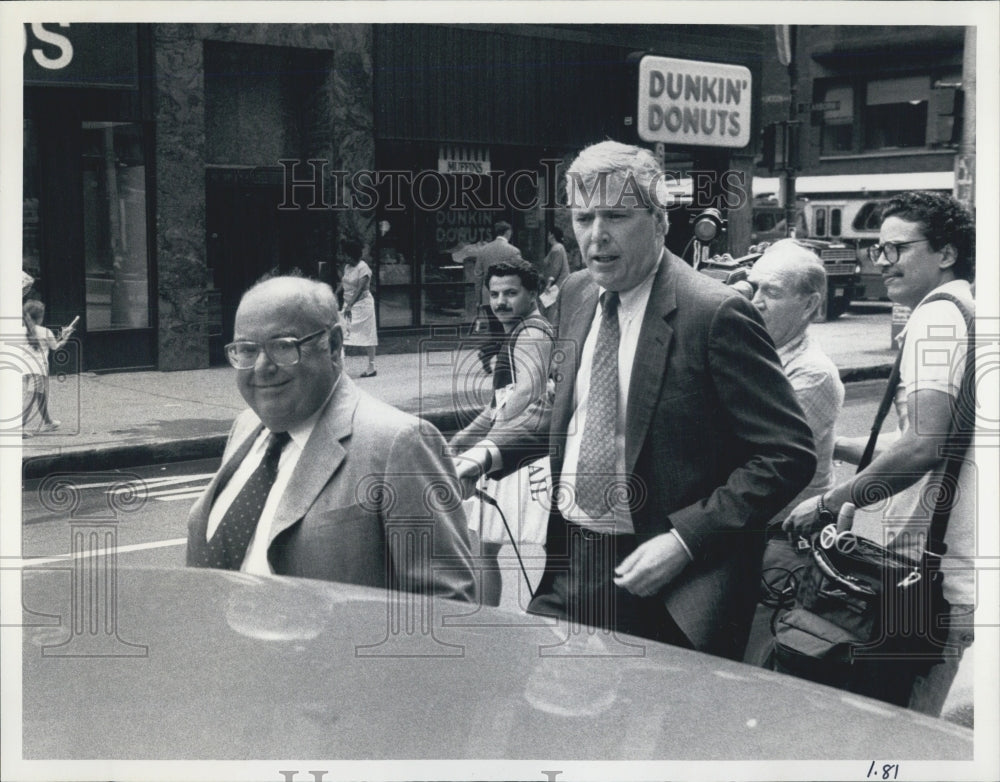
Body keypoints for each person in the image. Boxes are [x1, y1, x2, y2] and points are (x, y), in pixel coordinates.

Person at [468, 141, 816, 659]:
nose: (596, 234)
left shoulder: (715, 314)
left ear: (659, 221)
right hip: (573, 566)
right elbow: (568, 411)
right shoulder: (577, 294)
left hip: (672, 586)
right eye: (583, 217)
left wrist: (684, 542)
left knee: (646, 735)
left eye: (616, 215)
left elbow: (786, 455)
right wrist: (487, 453)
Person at [783, 191, 976, 716]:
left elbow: (923, 446)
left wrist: (827, 503)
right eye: (878, 249)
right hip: (959, 571)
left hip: (938, 577)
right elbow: (942, 434)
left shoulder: (936, 320)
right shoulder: (968, 311)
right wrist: (844, 446)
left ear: (946, 253)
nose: (882, 261)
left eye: (897, 249)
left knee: (905, 731)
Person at [186, 274, 477, 604]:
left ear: (335, 345)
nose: (262, 367)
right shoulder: (246, 426)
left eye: (283, 346)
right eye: (247, 350)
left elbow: (445, 606)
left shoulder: (399, 443)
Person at [740, 240, 845, 666]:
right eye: (753, 287)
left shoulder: (812, 373)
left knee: (752, 660)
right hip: (746, 531)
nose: (756, 301)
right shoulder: (758, 350)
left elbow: (748, 451)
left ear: (809, 305)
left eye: (772, 292)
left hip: (781, 540)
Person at [451, 259, 554, 606]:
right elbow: (499, 402)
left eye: (511, 293)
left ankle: (490, 624)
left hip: (522, 450)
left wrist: (491, 439)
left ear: (533, 293)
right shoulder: (521, 330)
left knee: (484, 546)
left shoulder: (532, 332)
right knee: (488, 544)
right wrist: (466, 437)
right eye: (494, 294)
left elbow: (528, 391)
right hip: (516, 442)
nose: (500, 302)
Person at [472, 220, 523, 373]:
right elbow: (521, 274)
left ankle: (488, 354)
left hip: (489, 298)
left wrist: (478, 299)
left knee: (496, 330)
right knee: (509, 331)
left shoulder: (483, 251)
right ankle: (488, 354)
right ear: (508, 232)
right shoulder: (513, 251)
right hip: (507, 298)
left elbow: (478, 276)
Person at [21, 299, 75, 437]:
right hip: (39, 370)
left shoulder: (20, 330)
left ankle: (48, 422)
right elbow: (56, 346)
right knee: (32, 397)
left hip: (25, 369)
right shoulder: (45, 331)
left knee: (40, 396)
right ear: (40, 317)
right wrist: (66, 335)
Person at [337, 238, 378, 377]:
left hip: (362, 306)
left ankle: (371, 367)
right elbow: (343, 282)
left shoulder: (363, 268)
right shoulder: (347, 267)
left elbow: (360, 289)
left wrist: (350, 305)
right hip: (348, 305)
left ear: (352, 254)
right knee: (342, 333)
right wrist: (334, 294)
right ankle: (340, 368)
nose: (344, 257)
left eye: (346, 254)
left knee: (368, 335)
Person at [538, 226, 571, 320]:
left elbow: (555, 268)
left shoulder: (556, 249)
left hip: (556, 286)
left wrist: (548, 284)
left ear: (552, 235)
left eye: (548, 234)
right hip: (557, 285)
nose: (547, 236)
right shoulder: (558, 248)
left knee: (548, 310)